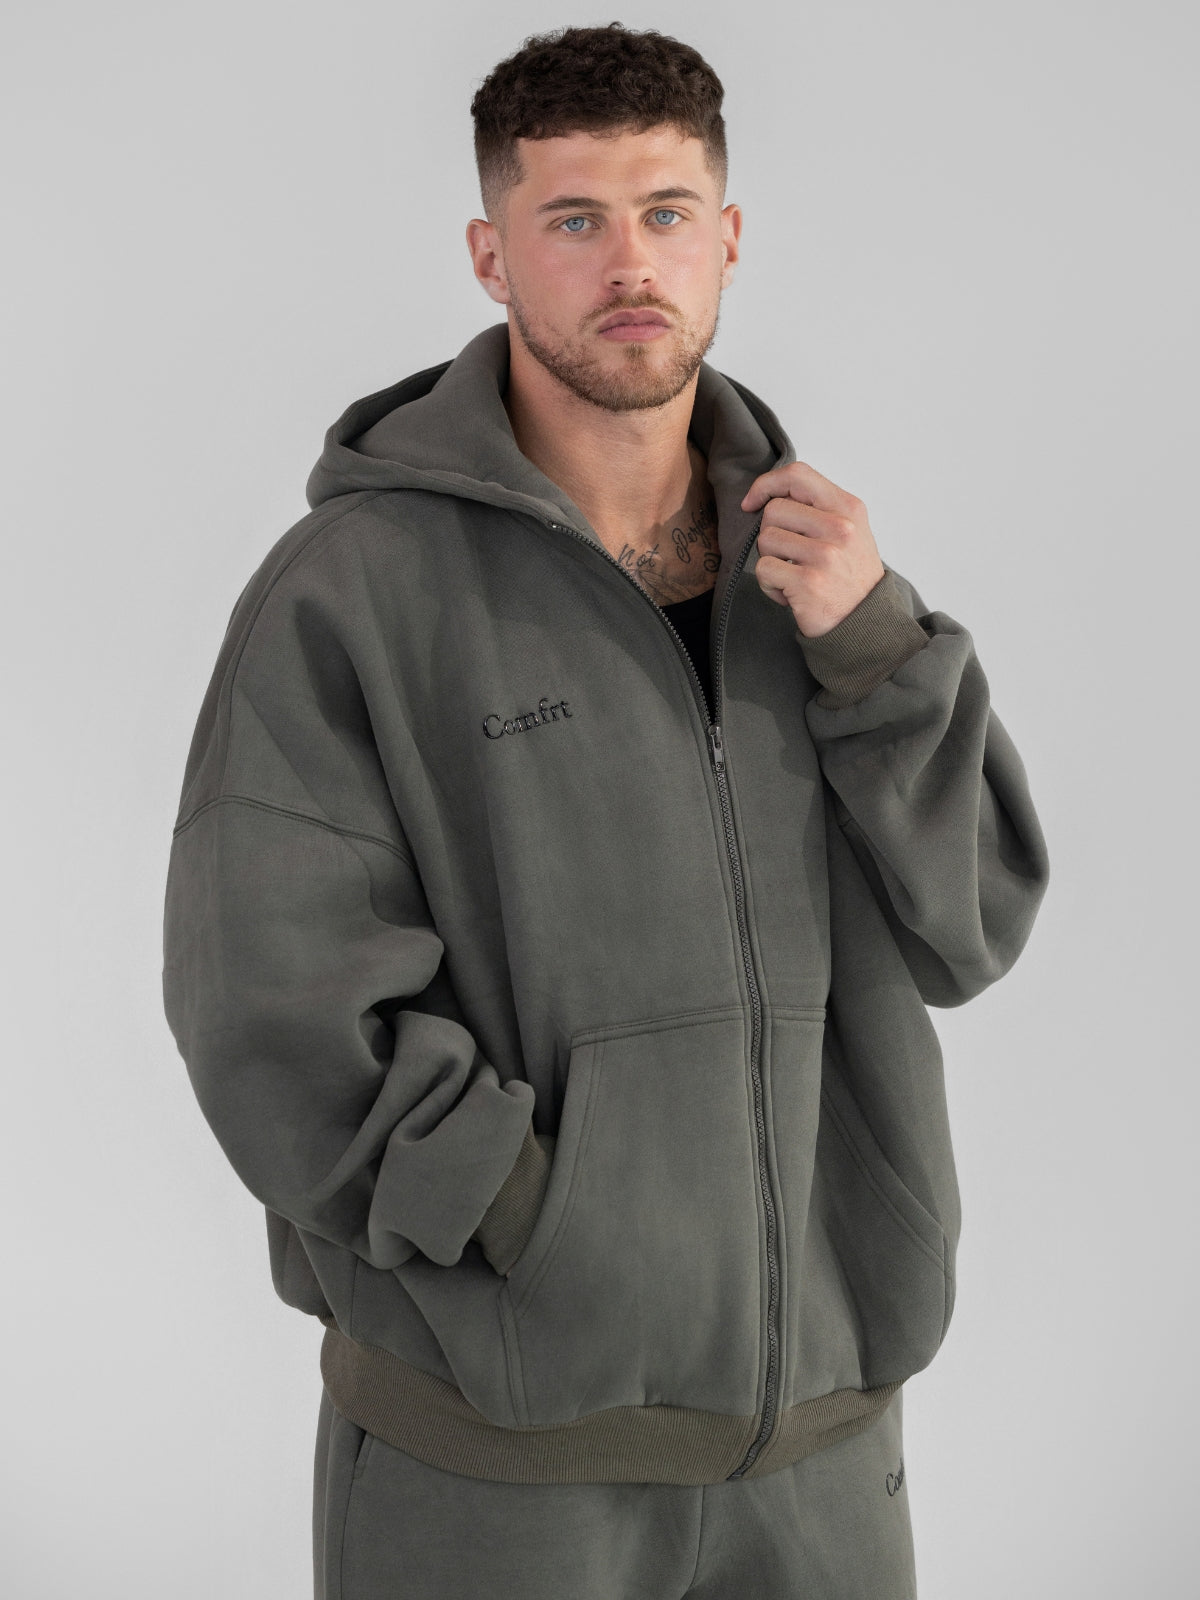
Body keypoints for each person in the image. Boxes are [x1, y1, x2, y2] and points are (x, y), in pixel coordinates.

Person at [161, 21, 1050, 1599]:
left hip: (826, 1460)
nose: (629, 262)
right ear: (492, 255)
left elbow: (972, 925)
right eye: (573, 219)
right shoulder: (356, 591)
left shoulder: (822, 584)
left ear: (728, 238)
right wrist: (534, 1221)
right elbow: (269, 1004)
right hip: (499, 1460)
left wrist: (879, 650)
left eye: (665, 212)